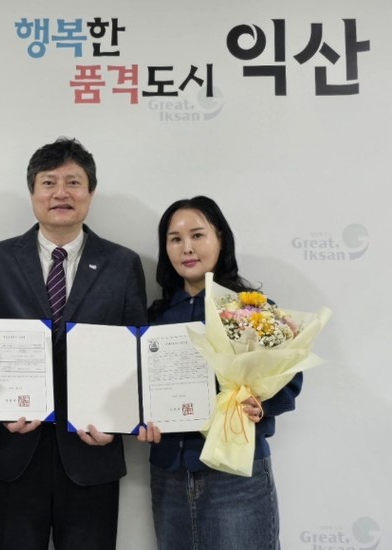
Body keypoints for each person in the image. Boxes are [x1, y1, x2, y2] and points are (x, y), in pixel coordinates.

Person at [0, 137, 147, 550]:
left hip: (92, 450)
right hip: (12, 449)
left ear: (90, 193)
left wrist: (119, 422)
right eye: (49, 183)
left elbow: (136, 354)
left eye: (73, 182)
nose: (61, 193)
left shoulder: (122, 263)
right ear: (32, 192)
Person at [138, 195, 302, 550]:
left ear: (220, 239)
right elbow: (137, 389)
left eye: (198, 235)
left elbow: (289, 378)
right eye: (175, 239)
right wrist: (138, 420)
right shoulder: (154, 318)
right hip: (169, 473)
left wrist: (262, 406)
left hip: (236, 473)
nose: (187, 248)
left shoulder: (251, 309)